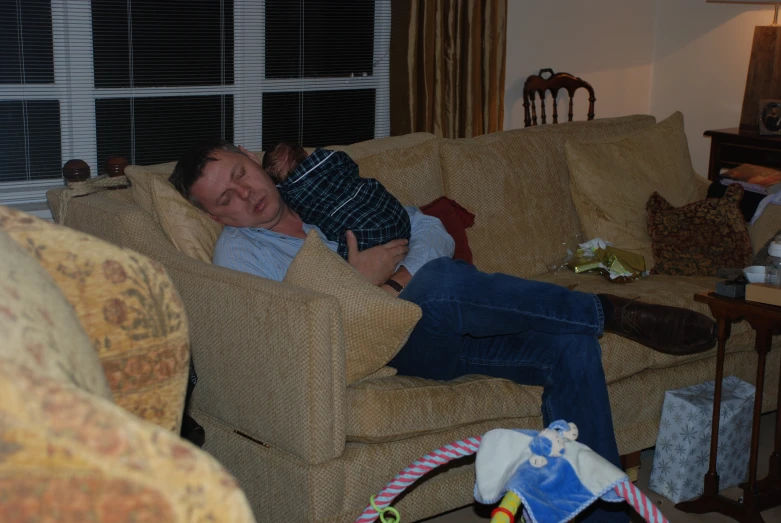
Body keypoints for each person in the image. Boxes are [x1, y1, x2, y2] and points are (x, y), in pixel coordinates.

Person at [170, 139, 717, 523]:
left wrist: (400, 276)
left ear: (249, 157)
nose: (245, 195)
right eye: (225, 200)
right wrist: (363, 284)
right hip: (399, 347)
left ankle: (597, 518)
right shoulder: (240, 255)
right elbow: (297, 329)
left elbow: (428, 227)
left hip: (452, 323)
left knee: (567, 348)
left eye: (240, 174)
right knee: (440, 287)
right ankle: (609, 311)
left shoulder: (319, 191)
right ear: (218, 218)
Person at [258, 141, 411, 260]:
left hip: (367, 233)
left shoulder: (292, 194)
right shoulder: (333, 158)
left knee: (343, 262)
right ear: (305, 153)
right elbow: (351, 167)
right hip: (397, 215)